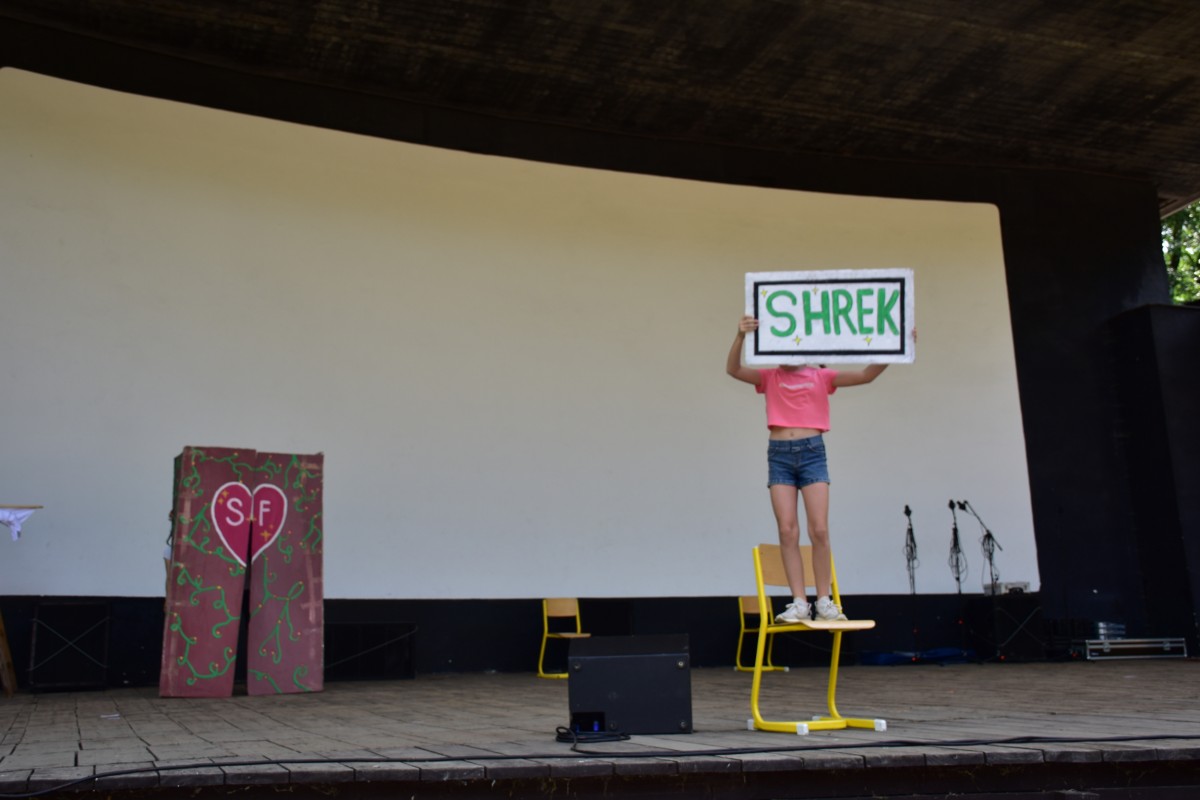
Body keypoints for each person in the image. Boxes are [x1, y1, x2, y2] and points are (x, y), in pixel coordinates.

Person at [726, 314, 890, 623]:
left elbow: (867, 375)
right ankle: (799, 601)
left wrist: (898, 347)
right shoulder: (770, 376)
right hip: (779, 455)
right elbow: (733, 369)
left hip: (812, 452)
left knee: (819, 529)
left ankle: (824, 600)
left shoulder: (821, 376)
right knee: (787, 529)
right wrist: (740, 336)